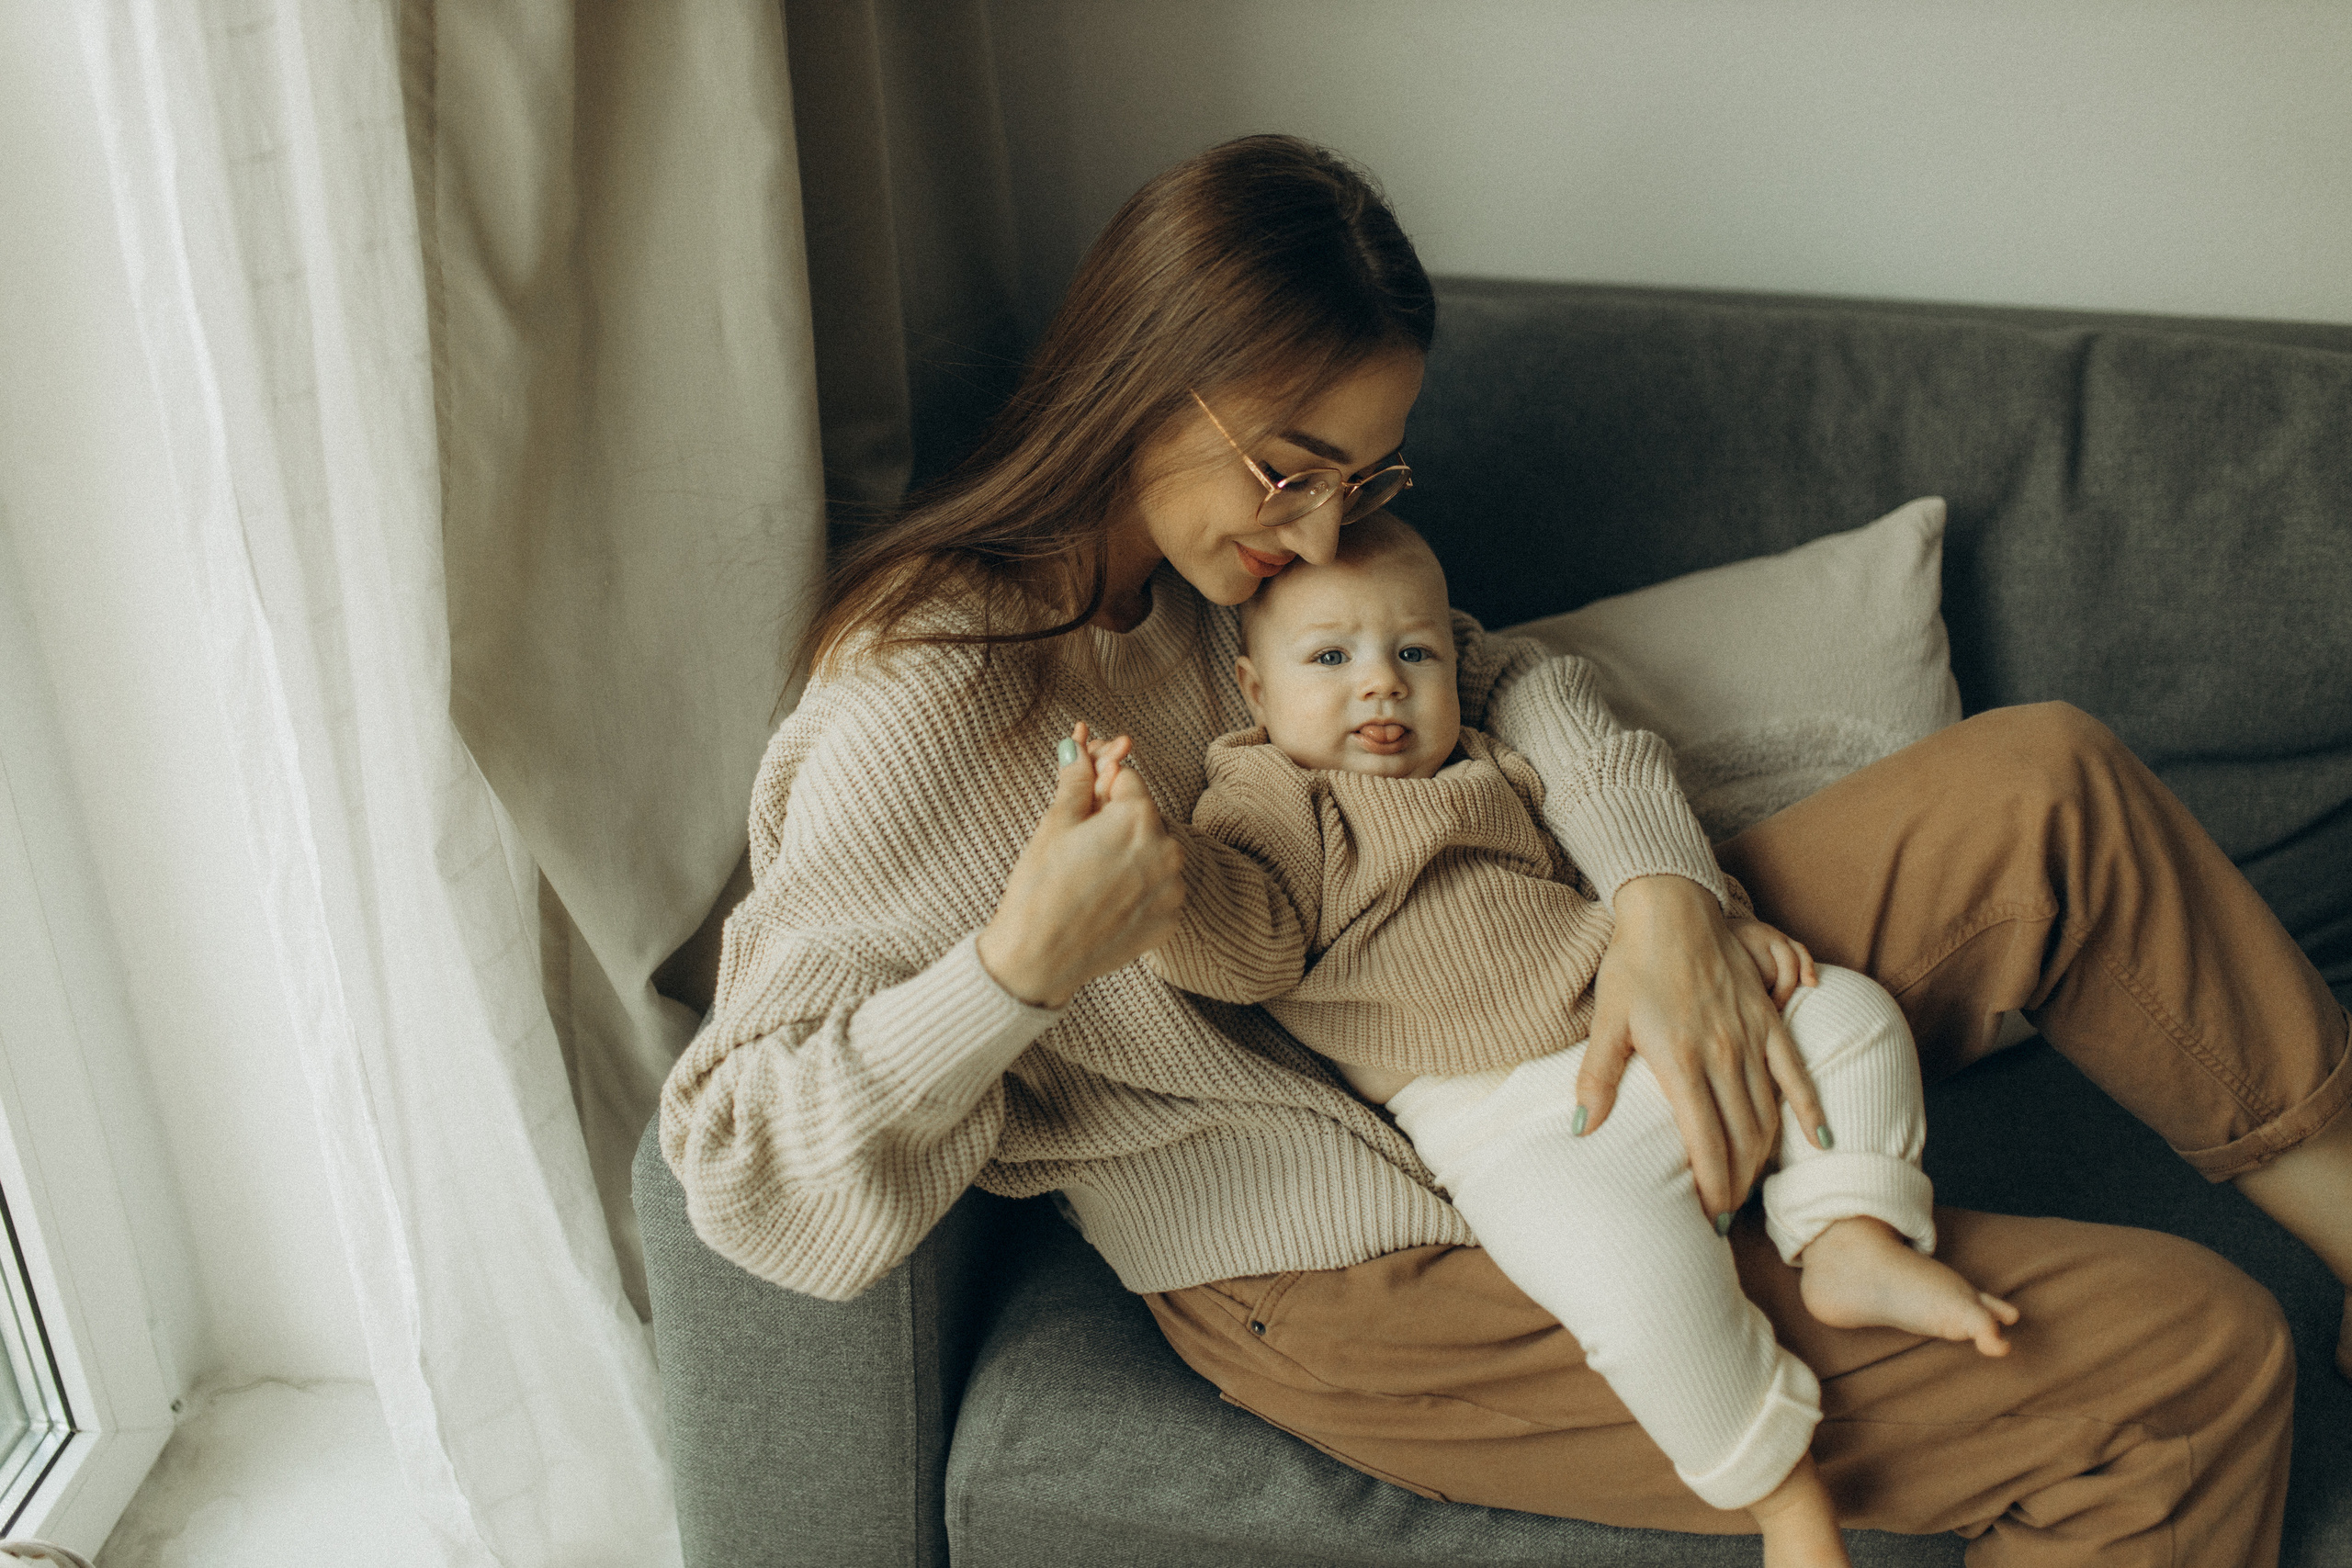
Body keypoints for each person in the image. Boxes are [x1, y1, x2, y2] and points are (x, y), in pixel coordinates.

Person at [662, 134, 2351, 1566]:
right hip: (1366, 1246)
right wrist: (1014, 972)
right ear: (1140, 373)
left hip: (1534, 987)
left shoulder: (1215, 581)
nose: (1322, 534)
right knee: (2188, 1352)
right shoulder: (920, 694)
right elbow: (740, 1158)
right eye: (1289, 470)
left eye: (1363, 476)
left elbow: (1514, 669)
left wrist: (1658, 897)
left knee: (2044, 782)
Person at [1119, 513, 2013, 1563]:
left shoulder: (1495, 761)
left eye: (1415, 654)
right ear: (1256, 693)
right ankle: (1784, 1499)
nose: (1380, 684)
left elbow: (1628, 866)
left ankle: (1849, 1235)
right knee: (1625, 1286)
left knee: (1848, 1014)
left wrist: (1721, 919)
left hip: (1637, 1025)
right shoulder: (1272, 796)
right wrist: (1156, 872)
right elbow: (1249, 943)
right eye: (1330, 657)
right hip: (1510, 1121)